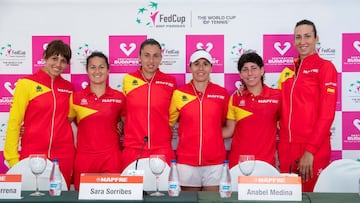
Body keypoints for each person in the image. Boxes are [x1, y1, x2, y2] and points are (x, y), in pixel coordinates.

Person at [4, 40, 75, 188]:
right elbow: (14, 122)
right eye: (54, 58)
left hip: (63, 155)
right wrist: (12, 159)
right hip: (32, 153)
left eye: (63, 61)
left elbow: (70, 118)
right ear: (45, 57)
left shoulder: (68, 88)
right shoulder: (26, 83)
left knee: (60, 197)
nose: (58, 64)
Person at [277, 19, 337, 192]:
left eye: (307, 36)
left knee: (312, 197)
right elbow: (278, 104)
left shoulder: (325, 67)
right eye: (298, 37)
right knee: (288, 197)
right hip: (286, 148)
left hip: (312, 148)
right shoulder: (288, 71)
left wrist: (310, 151)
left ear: (316, 38)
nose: (302, 41)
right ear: (294, 40)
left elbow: (327, 114)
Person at [169, 49, 229, 191]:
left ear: (211, 68)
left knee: (213, 202)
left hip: (215, 162)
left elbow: (224, 123)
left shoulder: (221, 93)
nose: (201, 68)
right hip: (186, 162)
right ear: (190, 67)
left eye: (205, 64)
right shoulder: (179, 94)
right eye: (197, 64)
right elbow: (168, 123)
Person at [69, 52, 125, 190]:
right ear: (87, 70)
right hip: (84, 159)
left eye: (101, 67)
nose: (97, 71)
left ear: (108, 69)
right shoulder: (75, 98)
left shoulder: (119, 97)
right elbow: (61, 124)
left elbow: (129, 123)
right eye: (93, 67)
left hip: (112, 159)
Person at [121, 38, 176, 171]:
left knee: (163, 190)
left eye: (155, 56)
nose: (151, 61)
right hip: (133, 148)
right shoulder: (128, 79)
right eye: (147, 56)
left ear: (161, 58)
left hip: (162, 148)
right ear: (139, 57)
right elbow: (123, 112)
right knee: (133, 191)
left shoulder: (170, 82)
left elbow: (173, 114)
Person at [222, 51, 281, 169]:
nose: (250, 73)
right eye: (245, 69)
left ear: (262, 70)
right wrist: (201, 133)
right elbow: (229, 131)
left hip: (266, 165)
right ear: (240, 74)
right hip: (238, 164)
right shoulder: (235, 98)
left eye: (253, 68)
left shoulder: (277, 96)